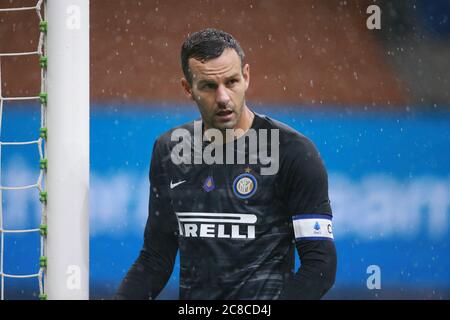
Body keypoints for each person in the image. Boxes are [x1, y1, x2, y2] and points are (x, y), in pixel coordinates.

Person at [115, 28, 337, 300]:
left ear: (246, 77)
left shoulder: (292, 152)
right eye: (209, 86)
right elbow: (155, 260)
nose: (222, 98)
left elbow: (320, 267)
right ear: (188, 88)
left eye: (231, 82)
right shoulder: (170, 151)